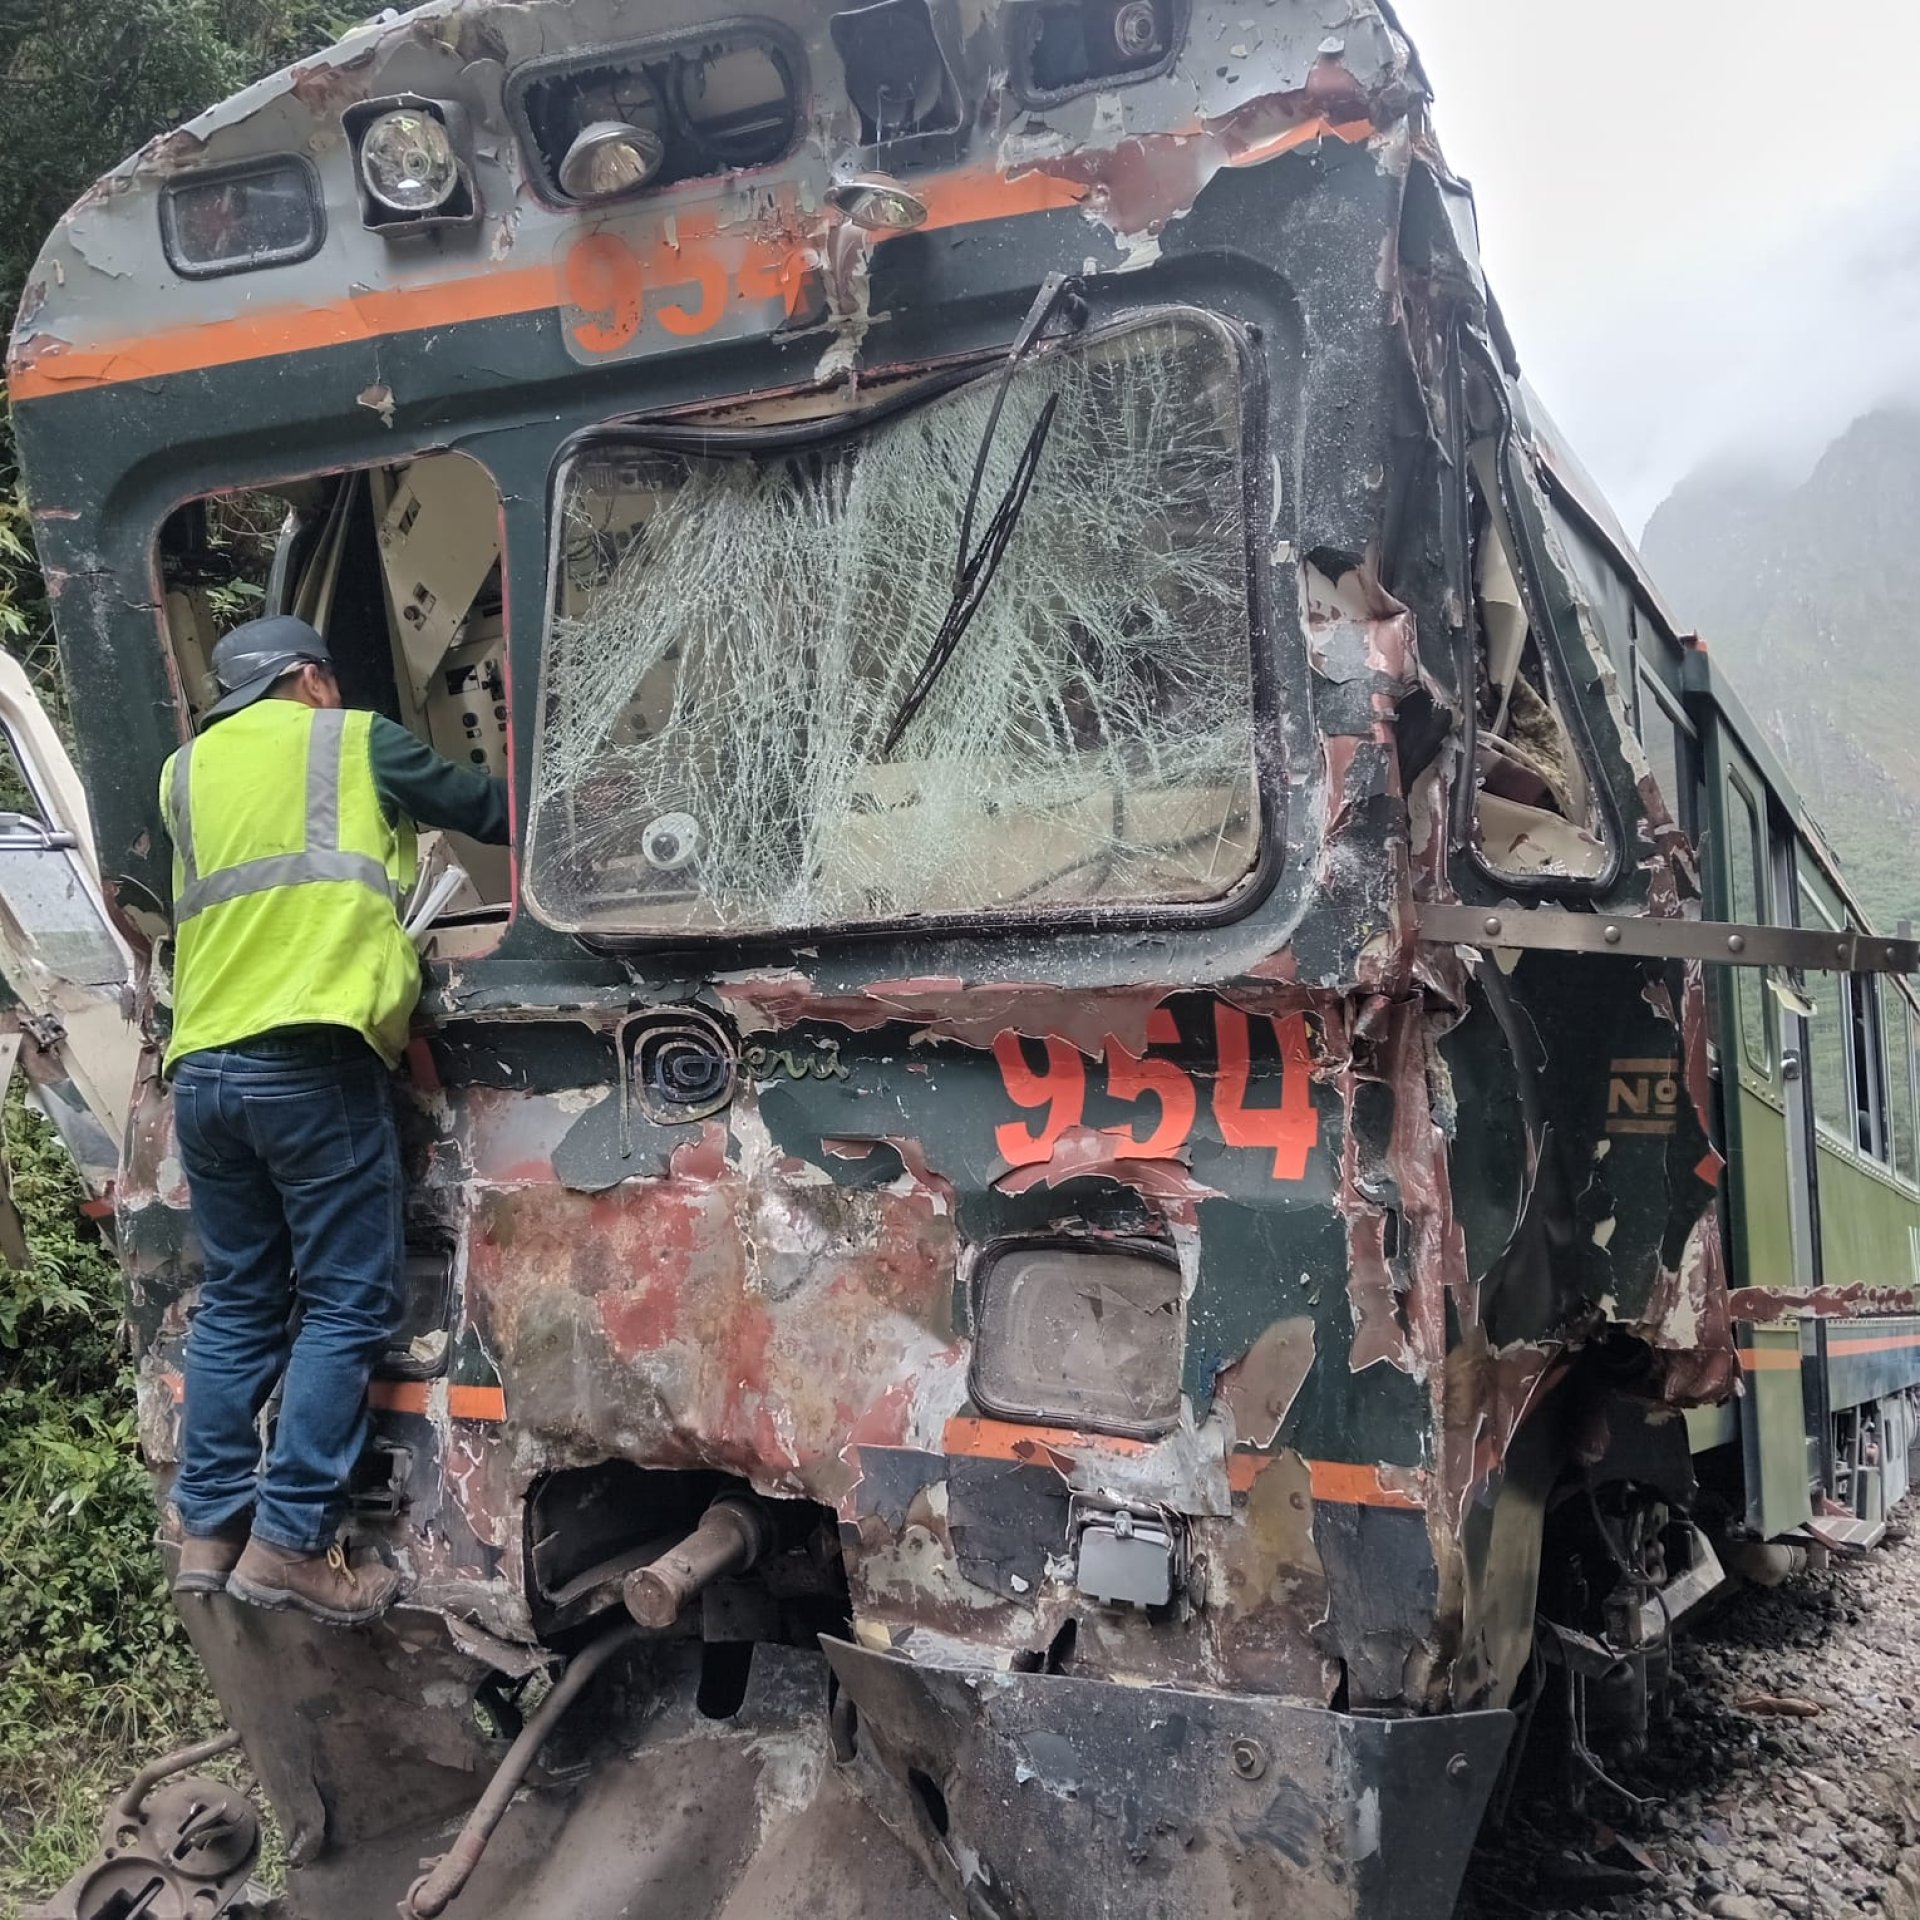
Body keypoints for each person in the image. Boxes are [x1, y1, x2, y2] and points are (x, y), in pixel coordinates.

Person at [159, 615, 509, 1624]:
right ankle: (291, 1544)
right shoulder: (354, 738)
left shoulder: (182, 773)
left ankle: (210, 1529)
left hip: (205, 1070)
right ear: (311, 679)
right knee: (347, 1304)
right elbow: (484, 809)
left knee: (238, 1302)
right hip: (310, 1056)